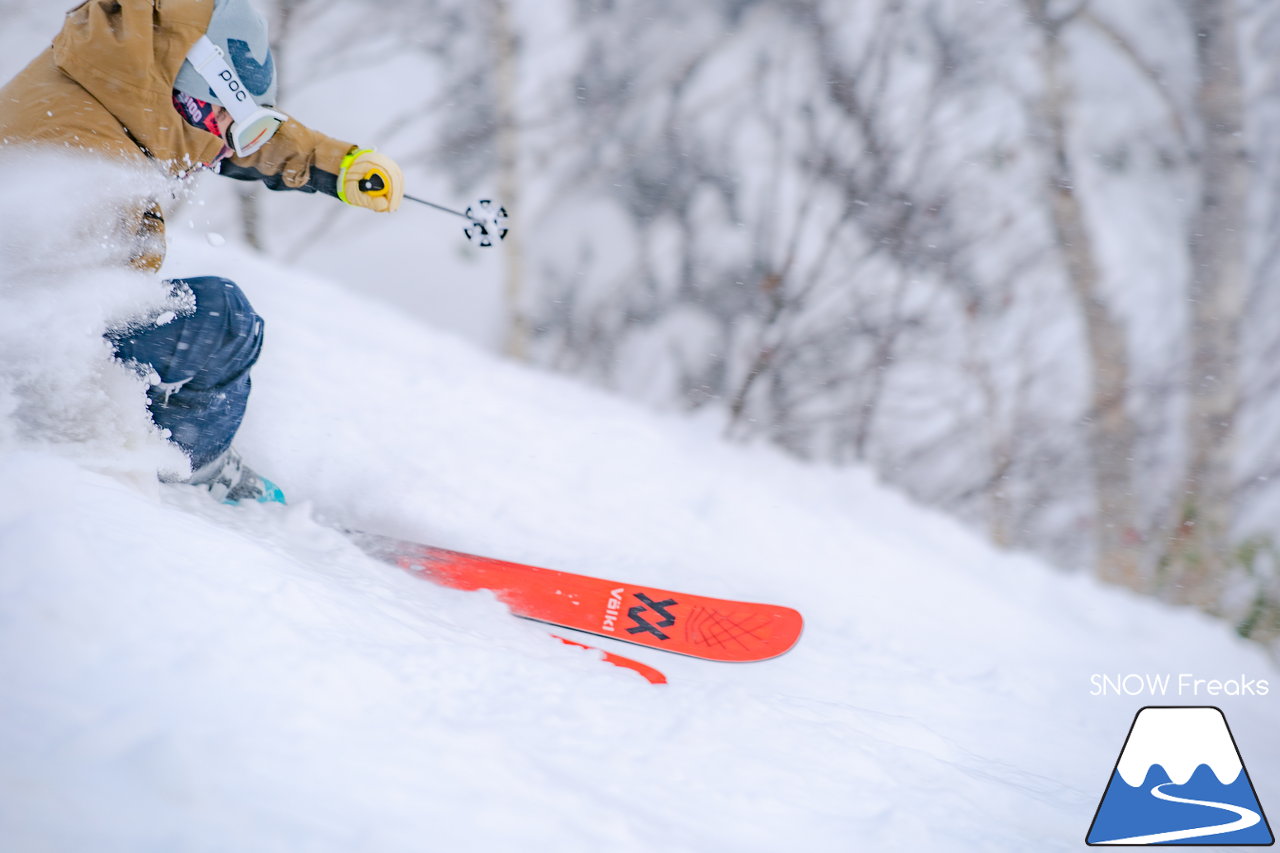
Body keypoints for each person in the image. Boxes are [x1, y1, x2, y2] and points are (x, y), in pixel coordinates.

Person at [0, 0, 404, 502]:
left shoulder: (118, 73)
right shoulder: (81, 155)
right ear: (190, 99)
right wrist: (108, 446)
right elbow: (62, 339)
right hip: (29, 350)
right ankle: (189, 470)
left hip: (41, 317)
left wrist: (336, 166)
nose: (225, 150)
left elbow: (227, 128)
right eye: (224, 129)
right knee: (221, 319)